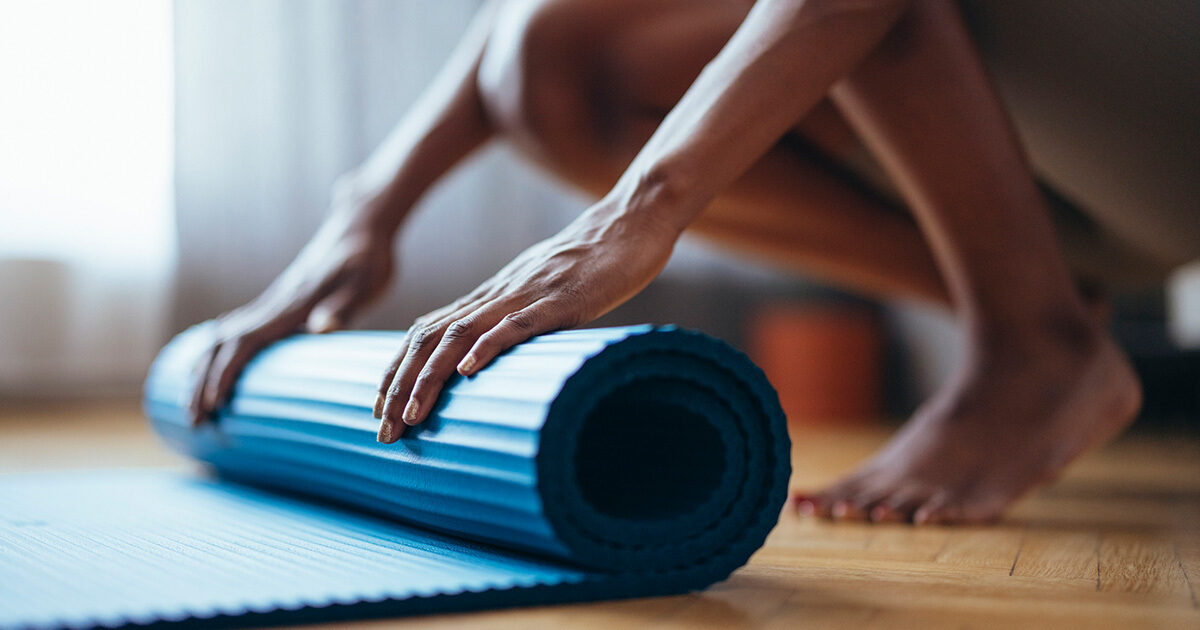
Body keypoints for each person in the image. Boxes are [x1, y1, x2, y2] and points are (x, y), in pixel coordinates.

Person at [185, 0, 1191, 525]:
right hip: (1057, 166)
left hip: (1162, 122)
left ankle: (1034, 343)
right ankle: (1035, 300)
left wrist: (641, 208)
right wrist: (372, 206)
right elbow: (520, 23)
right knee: (550, 69)